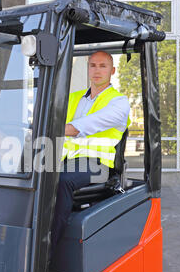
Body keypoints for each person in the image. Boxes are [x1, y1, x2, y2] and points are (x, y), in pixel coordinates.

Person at [50, 51, 130, 255]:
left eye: (103, 66)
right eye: (93, 65)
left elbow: (85, 126)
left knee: (62, 181)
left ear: (112, 71)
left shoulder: (119, 102)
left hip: (99, 165)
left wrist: (53, 128)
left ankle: (46, 251)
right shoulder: (74, 98)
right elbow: (49, 117)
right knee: (26, 174)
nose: (97, 70)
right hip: (68, 160)